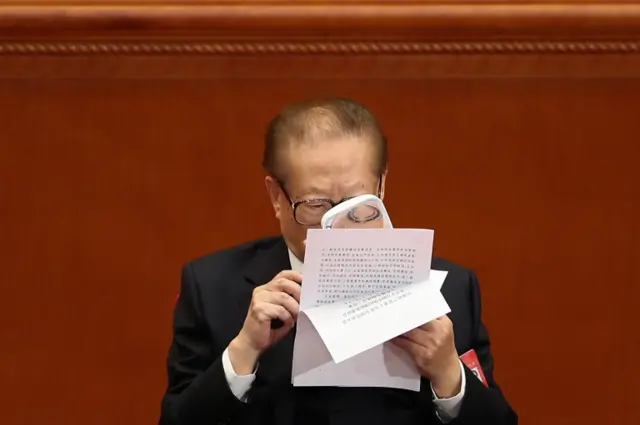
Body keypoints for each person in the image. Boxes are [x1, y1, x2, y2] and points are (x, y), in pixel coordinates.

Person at [158, 97, 518, 425]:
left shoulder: (451, 289)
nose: (339, 227)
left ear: (381, 186)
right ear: (277, 197)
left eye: (357, 204)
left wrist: (448, 377)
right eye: (315, 206)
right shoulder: (212, 288)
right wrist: (244, 351)